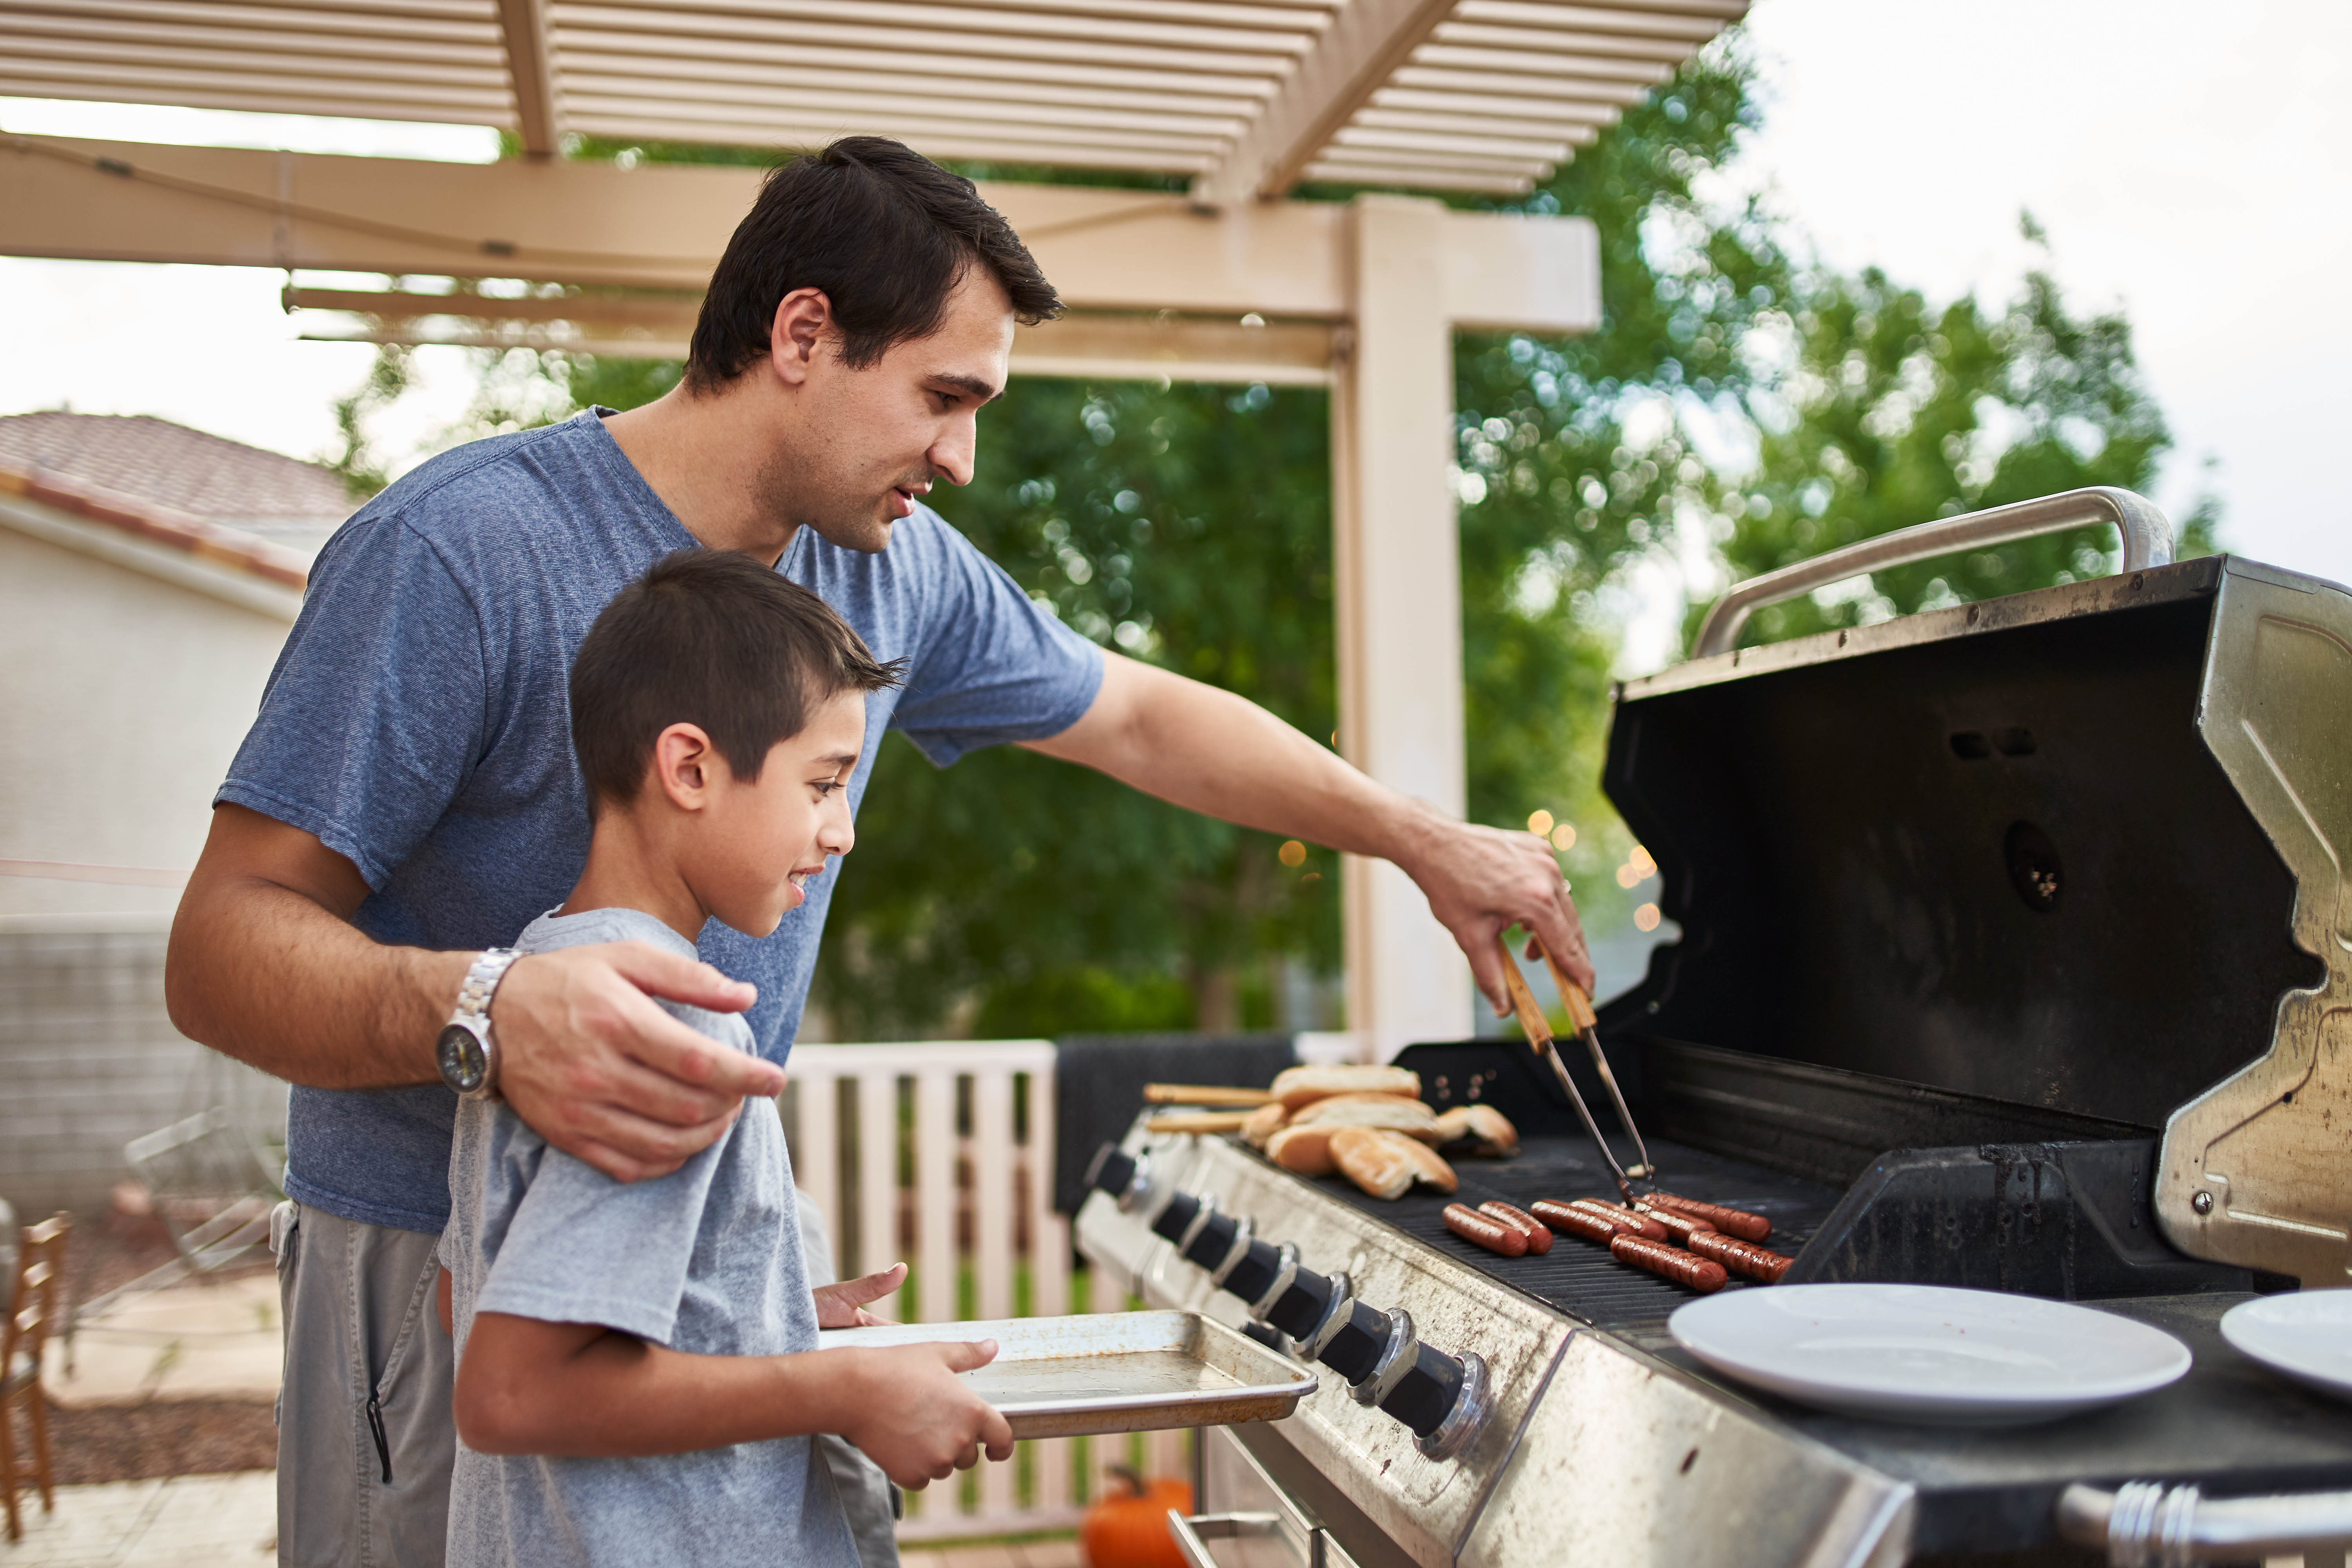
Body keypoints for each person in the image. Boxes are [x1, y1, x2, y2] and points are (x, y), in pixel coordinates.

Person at [165, 136, 1592, 1568]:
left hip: (677, 1295)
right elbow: (221, 948)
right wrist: (490, 1014)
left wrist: (1420, 841)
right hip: (429, 1277)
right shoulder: (462, 553)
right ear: (802, 335)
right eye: (944, 397)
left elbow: (1146, 721)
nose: (962, 458)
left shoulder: (886, 568)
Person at [438, 548, 1008, 1568]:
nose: (842, 833)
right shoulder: (671, 1021)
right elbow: (513, 1388)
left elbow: (475, 1292)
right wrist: (847, 1385)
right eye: (825, 784)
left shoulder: (545, 980)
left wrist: (760, 1309)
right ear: (690, 767)